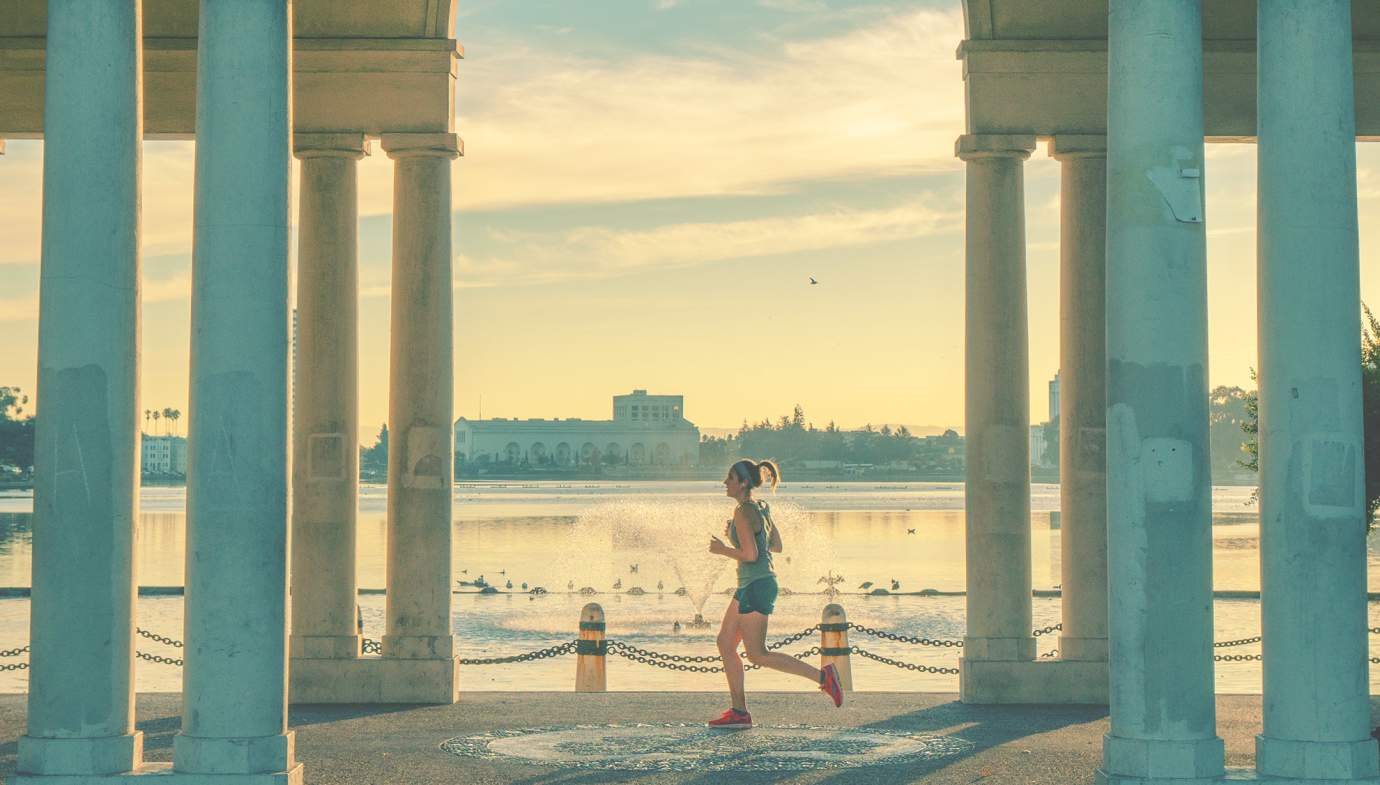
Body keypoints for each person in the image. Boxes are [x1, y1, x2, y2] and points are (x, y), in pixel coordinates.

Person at [706, 458, 843, 729]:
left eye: (730, 478)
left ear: (743, 483)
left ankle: (823, 677)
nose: (725, 482)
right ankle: (739, 712)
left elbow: (750, 554)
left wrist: (723, 548)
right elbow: (775, 545)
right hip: (751, 583)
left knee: (757, 654)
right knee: (725, 642)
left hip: (756, 585)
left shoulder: (744, 511)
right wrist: (739, 534)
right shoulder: (759, 508)